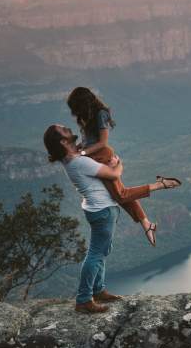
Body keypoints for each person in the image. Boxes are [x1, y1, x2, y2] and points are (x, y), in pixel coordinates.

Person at [42, 123, 181, 314]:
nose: (68, 129)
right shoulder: (79, 162)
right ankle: (83, 299)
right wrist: (118, 163)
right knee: (96, 254)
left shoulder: (72, 160)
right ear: (63, 141)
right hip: (103, 211)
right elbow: (115, 174)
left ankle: (98, 290)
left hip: (98, 210)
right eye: (64, 130)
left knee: (102, 250)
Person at [66, 87, 179, 246]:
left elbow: (102, 143)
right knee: (120, 194)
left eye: (75, 106)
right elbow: (87, 140)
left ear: (83, 102)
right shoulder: (85, 116)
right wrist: (78, 148)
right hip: (93, 158)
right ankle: (147, 224)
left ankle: (160, 184)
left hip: (102, 156)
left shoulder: (100, 114)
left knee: (121, 195)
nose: (74, 111)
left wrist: (82, 154)